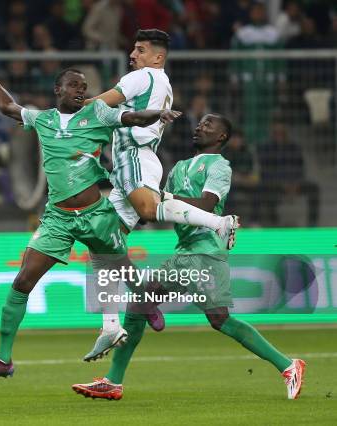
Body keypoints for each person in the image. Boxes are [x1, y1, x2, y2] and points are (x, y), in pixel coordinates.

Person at [0, 50, 181, 385]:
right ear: (58, 90)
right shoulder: (43, 119)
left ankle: (145, 299)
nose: (81, 90)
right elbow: (7, 106)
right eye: (74, 85)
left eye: (84, 86)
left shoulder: (97, 113)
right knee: (22, 281)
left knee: (121, 266)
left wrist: (158, 114)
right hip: (58, 218)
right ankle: (3, 359)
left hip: (95, 213)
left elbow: (133, 118)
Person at [72, 114, 306, 401]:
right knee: (159, 307)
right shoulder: (180, 167)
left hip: (204, 253)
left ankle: (288, 364)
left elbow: (207, 204)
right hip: (185, 252)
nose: (200, 127)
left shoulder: (220, 166)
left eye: (209, 125)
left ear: (221, 137)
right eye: (199, 123)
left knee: (206, 316)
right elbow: (159, 208)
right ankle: (113, 381)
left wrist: (163, 200)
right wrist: (135, 211)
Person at [83, 29, 239, 361]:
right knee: (101, 243)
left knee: (149, 209)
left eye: (140, 49)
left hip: (137, 158)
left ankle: (219, 223)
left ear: (158, 56)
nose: (132, 54)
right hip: (126, 164)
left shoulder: (143, 77)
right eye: (133, 49)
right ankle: (111, 325)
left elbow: (100, 105)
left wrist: (68, 112)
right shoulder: (158, 81)